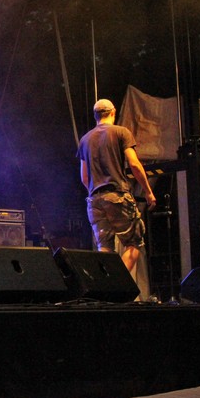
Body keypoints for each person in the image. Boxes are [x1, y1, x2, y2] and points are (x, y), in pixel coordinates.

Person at [77, 99, 157, 272]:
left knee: (105, 248)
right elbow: (134, 164)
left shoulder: (85, 140)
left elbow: (84, 177)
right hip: (117, 196)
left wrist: (97, 194)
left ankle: (108, 285)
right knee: (134, 243)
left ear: (95, 116)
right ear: (113, 112)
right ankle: (120, 283)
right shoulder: (121, 132)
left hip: (94, 200)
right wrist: (148, 192)